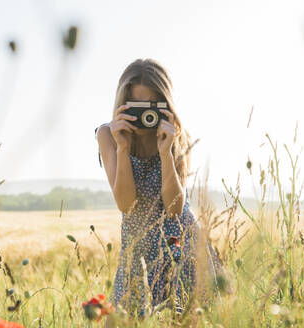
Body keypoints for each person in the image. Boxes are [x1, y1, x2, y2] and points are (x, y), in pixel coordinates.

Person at [95, 58, 222, 319]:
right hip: (138, 250)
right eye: (136, 108)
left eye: (151, 107)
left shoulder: (175, 135)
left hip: (180, 245)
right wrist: (123, 148)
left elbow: (175, 208)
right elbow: (126, 204)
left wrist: (166, 152)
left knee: (184, 320)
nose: (144, 116)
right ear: (122, 105)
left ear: (165, 104)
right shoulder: (108, 135)